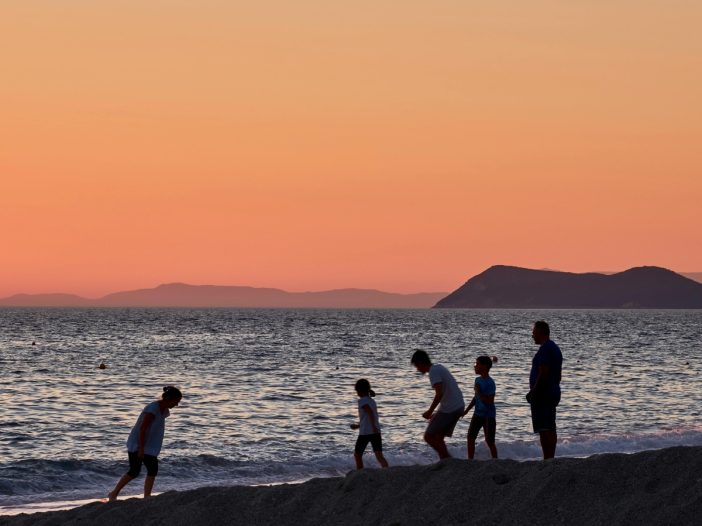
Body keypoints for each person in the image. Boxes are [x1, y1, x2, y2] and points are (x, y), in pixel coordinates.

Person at [107, 386, 183, 501]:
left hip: (149, 445)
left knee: (153, 469)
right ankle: (113, 493)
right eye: (176, 402)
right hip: (138, 443)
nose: (176, 405)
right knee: (134, 471)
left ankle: (147, 496)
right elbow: (142, 429)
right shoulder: (153, 409)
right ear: (168, 398)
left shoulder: (163, 409)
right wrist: (141, 449)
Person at [411, 350, 464, 459]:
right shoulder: (439, 367)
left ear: (421, 363)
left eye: (416, 366)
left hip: (451, 408)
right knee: (438, 437)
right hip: (458, 406)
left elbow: (439, 394)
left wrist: (430, 411)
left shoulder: (433, 372)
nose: (417, 369)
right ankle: (445, 462)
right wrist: (437, 412)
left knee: (428, 436)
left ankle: (448, 459)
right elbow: (446, 394)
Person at [527, 321, 562, 459]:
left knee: (544, 428)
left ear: (541, 333)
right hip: (552, 391)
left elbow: (543, 373)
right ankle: (550, 457)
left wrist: (534, 392)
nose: (532, 336)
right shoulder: (554, 348)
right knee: (550, 426)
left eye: (534, 332)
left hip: (543, 394)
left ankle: (547, 458)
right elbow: (558, 375)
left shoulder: (545, 349)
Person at [462, 355, 498, 459]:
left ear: (485, 366)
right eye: (475, 364)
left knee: (489, 441)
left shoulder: (490, 382)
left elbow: (490, 401)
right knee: (470, 437)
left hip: (488, 416)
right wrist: (467, 410)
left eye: (477, 364)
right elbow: (476, 398)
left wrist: (479, 392)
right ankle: (470, 460)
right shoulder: (477, 380)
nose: (475, 366)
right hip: (477, 413)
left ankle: (495, 460)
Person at [349, 379, 389, 469]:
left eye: (357, 391)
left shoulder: (362, 401)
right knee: (379, 456)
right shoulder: (372, 401)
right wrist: (358, 425)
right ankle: (387, 471)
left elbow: (370, 412)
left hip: (366, 433)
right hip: (375, 432)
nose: (357, 393)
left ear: (360, 390)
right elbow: (367, 417)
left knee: (357, 455)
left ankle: (360, 472)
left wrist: (373, 426)